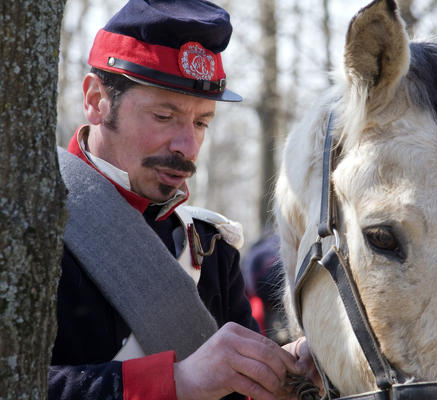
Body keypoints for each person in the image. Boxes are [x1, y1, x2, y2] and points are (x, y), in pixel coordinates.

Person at [49, 1, 319, 399]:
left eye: (201, 122)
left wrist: (285, 369)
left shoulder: (209, 247)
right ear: (95, 99)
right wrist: (178, 382)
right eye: (164, 116)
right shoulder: (29, 226)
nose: (187, 146)